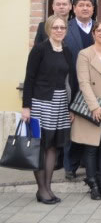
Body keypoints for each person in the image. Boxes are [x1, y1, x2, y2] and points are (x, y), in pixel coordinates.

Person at [22, 15, 75, 205]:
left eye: (62, 28)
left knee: (53, 145)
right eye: (55, 27)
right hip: (40, 103)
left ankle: (48, 187)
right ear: (49, 29)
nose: (59, 30)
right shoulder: (39, 50)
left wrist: (70, 108)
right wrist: (26, 107)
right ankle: (41, 190)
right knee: (41, 145)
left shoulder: (67, 52)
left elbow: (69, 82)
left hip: (60, 102)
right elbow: (29, 79)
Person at [71, 21, 101, 200]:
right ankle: (92, 184)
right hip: (92, 107)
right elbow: (83, 82)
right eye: (99, 30)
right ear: (93, 34)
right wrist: (94, 106)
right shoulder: (85, 54)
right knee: (91, 148)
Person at [63, 0, 96, 180]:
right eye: (81, 5)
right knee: (73, 125)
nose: (85, 8)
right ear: (73, 8)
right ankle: (70, 166)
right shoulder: (66, 28)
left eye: (88, 5)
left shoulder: (100, 28)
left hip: (95, 85)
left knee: (91, 124)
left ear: (93, 9)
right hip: (73, 83)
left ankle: (88, 162)